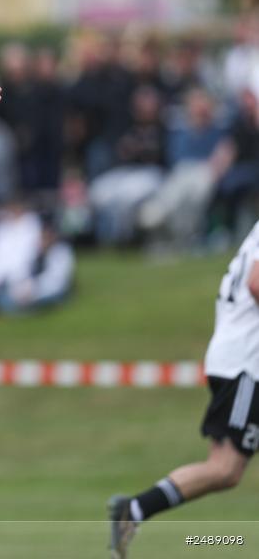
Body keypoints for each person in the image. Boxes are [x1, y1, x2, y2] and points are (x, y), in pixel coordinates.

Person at [108, 220, 259, 558]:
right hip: (246, 364)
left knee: (227, 471)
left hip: (237, 358)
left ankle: (133, 511)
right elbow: (256, 283)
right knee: (225, 467)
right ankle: (133, 510)